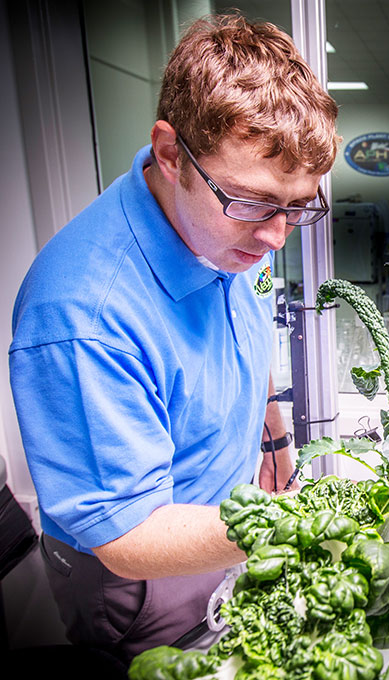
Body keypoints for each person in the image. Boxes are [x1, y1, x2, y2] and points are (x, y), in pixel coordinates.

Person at [7, 13, 338, 664]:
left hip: (225, 521)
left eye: (299, 206)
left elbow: (244, 328)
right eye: (256, 203)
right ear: (168, 152)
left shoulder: (224, 222)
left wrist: (272, 439)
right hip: (142, 579)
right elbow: (129, 536)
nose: (277, 236)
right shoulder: (81, 319)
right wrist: (313, 519)